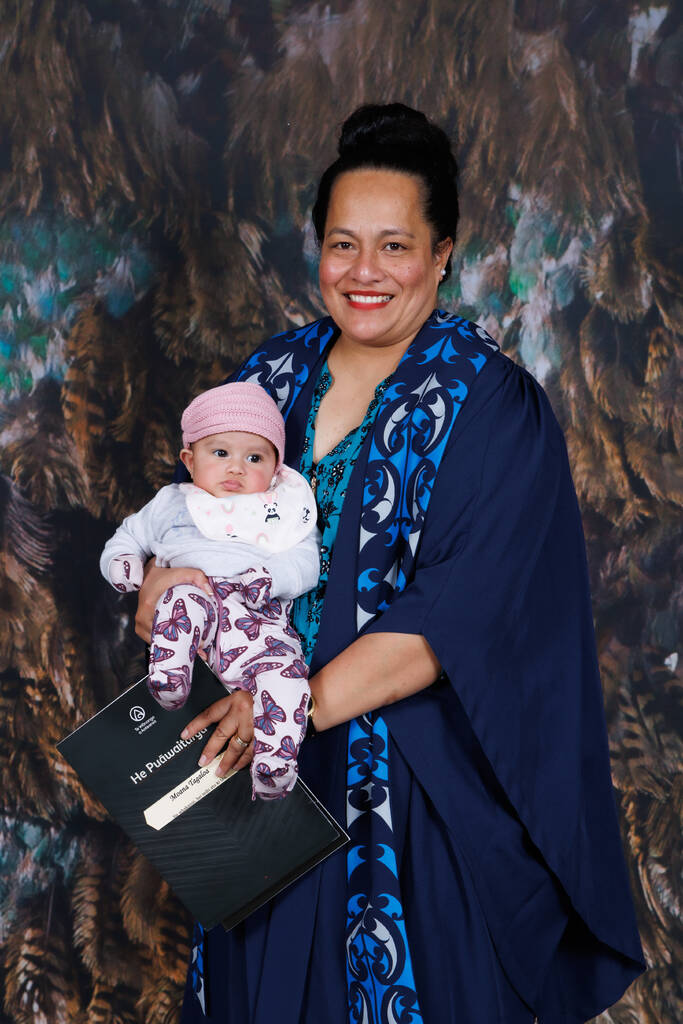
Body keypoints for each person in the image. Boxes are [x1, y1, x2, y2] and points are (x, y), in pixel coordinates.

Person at [135, 104, 645, 1023]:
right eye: (341, 245)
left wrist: (284, 709)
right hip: (255, 783)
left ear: (443, 253)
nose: (363, 274)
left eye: (394, 246)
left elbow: (452, 617)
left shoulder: (493, 407)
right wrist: (165, 586)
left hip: (402, 786)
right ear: (316, 251)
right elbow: (197, 524)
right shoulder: (268, 381)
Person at [101, 381, 319, 799]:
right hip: (196, 606)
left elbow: (305, 565)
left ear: (276, 468)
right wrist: (126, 567)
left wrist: (271, 579)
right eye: (220, 453)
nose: (236, 468)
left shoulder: (283, 512)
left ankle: (276, 765)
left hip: (259, 624)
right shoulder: (171, 502)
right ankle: (170, 675)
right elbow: (128, 536)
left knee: (288, 678)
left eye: (254, 457)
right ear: (190, 458)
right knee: (184, 598)